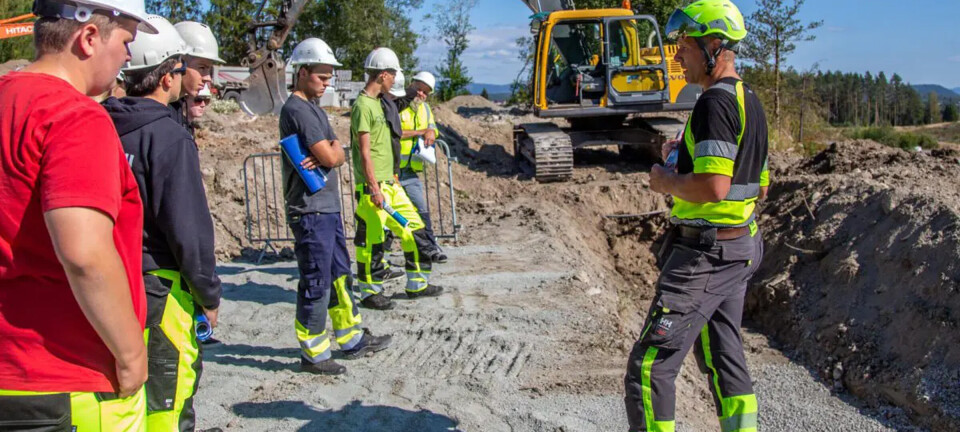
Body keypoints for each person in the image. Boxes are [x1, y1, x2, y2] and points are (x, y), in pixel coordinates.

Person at [0, 0, 156, 429]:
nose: (128, 57)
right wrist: (130, 355)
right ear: (88, 38)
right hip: (69, 377)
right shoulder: (74, 116)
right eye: (126, 40)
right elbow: (85, 254)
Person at [624, 1, 769, 431]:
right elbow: (757, 183)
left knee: (650, 367)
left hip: (705, 254)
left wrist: (663, 180)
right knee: (722, 354)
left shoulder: (713, 104)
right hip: (739, 244)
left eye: (683, 46)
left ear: (713, 44)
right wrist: (681, 158)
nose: (676, 56)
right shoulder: (749, 101)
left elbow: (713, 187)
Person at [102, 15, 222, 432]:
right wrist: (209, 292)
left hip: (113, 281)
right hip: (162, 287)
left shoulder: (100, 124)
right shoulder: (169, 138)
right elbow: (188, 229)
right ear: (168, 75)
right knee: (168, 401)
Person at [280, 38, 393, 375]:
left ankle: (351, 338)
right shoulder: (298, 109)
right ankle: (314, 353)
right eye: (322, 77)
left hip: (325, 209)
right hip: (310, 209)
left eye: (329, 77)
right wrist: (332, 152)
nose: (327, 83)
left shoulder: (314, 109)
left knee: (340, 276)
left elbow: (339, 153)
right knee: (317, 281)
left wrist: (333, 152)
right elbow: (332, 155)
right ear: (302, 73)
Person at [351, 47, 443, 309]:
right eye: (393, 75)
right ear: (382, 75)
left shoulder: (381, 103)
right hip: (373, 187)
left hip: (390, 182)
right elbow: (365, 152)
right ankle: (370, 292)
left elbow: (386, 143)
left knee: (413, 229)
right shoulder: (362, 106)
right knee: (372, 240)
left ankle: (418, 284)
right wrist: (373, 187)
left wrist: (392, 175)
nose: (395, 80)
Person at [397, 71, 447, 263]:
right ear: (411, 85)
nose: (421, 95)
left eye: (425, 92)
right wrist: (421, 131)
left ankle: (430, 249)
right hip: (392, 169)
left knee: (421, 210)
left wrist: (431, 133)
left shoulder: (425, 109)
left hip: (410, 170)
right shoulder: (398, 105)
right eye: (418, 89)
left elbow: (432, 126)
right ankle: (380, 258)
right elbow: (395, 132)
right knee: (387, 216)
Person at [171, 20, 225, 133]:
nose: (208, 78)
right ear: (179, 63)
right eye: (202, 68)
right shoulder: (164, 120)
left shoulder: (177, 113)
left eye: (209, 69)